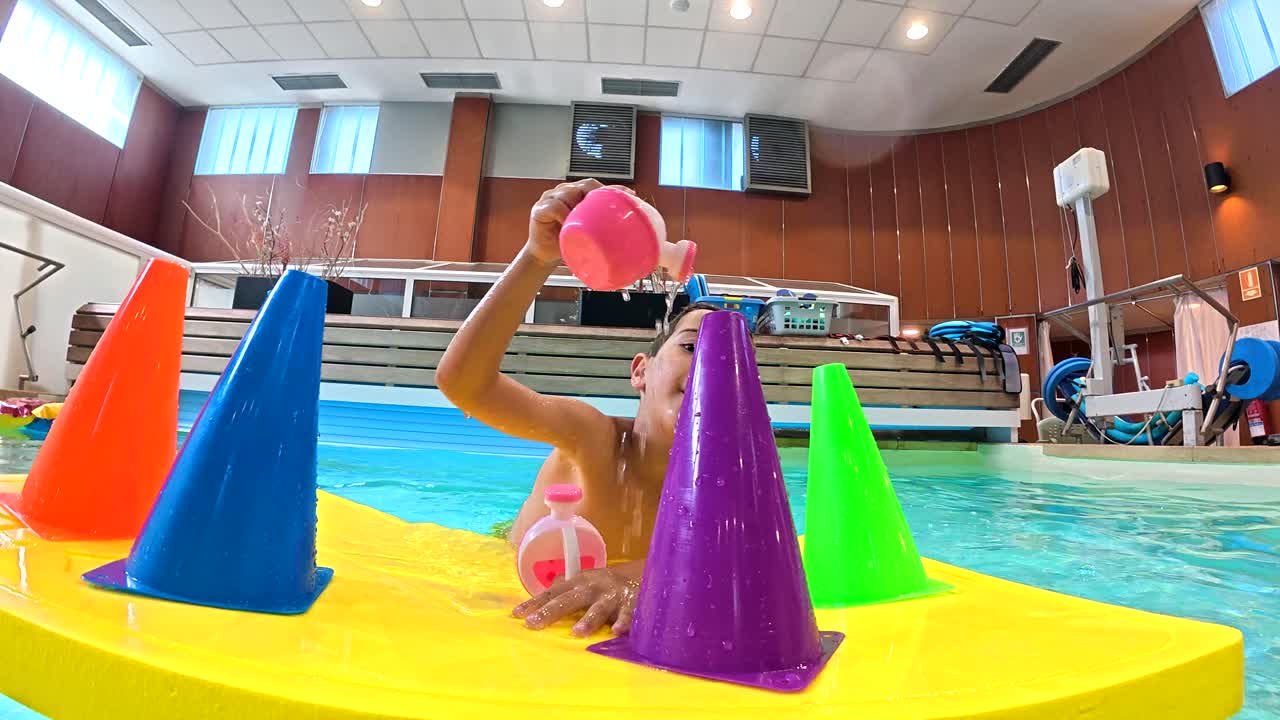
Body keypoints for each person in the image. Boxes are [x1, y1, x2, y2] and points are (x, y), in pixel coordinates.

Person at [436, 178, 718, 638]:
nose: (711, 367)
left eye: (730, 364)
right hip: (500, 560)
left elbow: (737, 562)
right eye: (692, 346)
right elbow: (463, 384)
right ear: (640, 371)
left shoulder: (725, 489)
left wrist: (633, 579)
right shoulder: (593, 439)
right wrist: (535, 257)